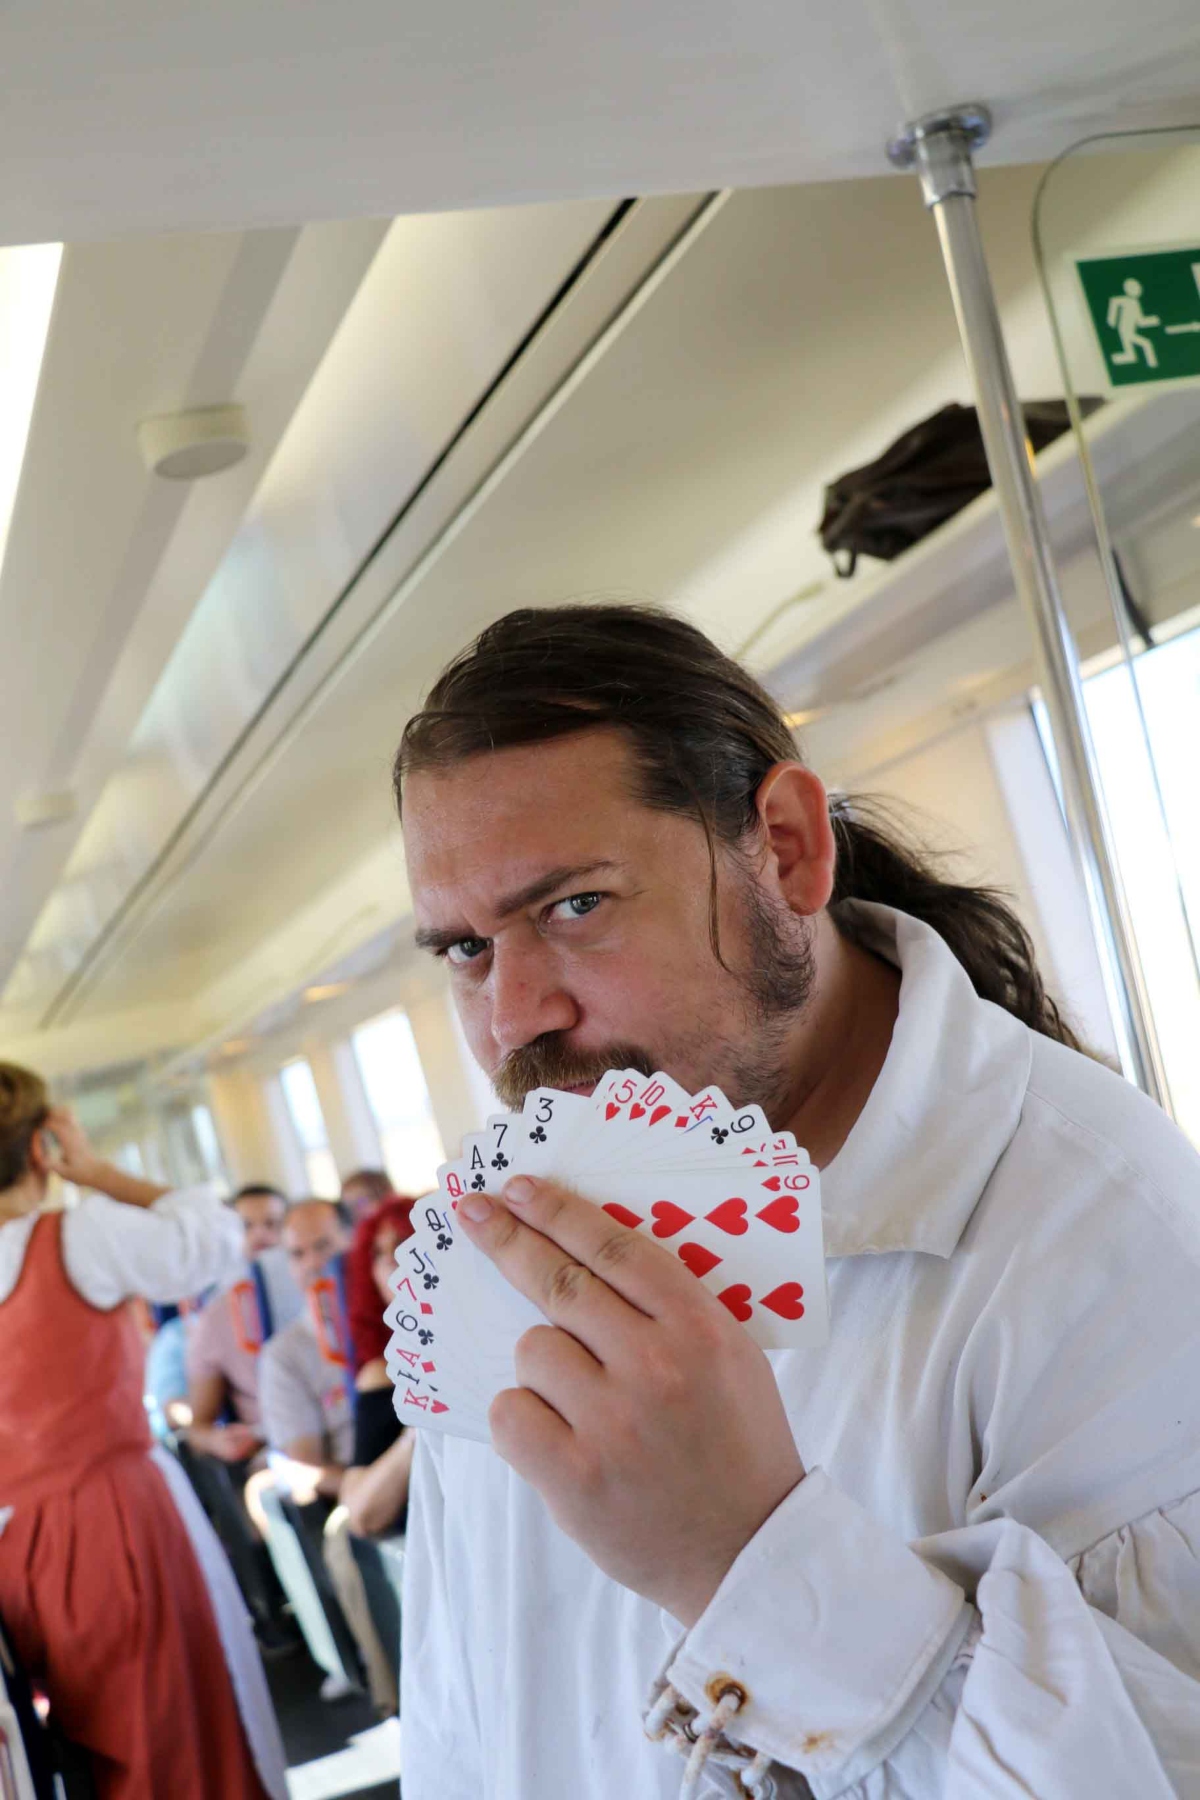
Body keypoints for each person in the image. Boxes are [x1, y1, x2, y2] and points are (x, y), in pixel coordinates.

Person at [393, 604, 1200, 1799]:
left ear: (784, 848)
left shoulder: (1110, 1246)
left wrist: (748, 1558)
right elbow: (465, 1738)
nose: (515, 1019)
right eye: (465, 949)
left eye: (577, 906)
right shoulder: (501, 1273)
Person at [0, 1064, 287, 1800]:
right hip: (115, 1524)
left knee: (91, 1760)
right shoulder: (73, 1238)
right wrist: (96, 1171)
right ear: (42, 1148)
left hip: (14, 1549)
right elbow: (216, 1237)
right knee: (183, 1743)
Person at [259, 1199, 397, 1709]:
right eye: (297, 1254)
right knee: (349, 1531)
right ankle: (389, 1687)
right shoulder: (286, 1355)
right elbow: (306, 1463)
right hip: (353, 1481)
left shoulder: (400, 1309)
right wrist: (374, 1477)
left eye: (324, 1246)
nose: (314, 1263)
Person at [186, 1184, 298, 1465]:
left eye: (273, 1224)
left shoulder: (324, 1294)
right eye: (246, 1226)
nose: (261, 1235)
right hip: (274, 1446)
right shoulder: (215, 1317)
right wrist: (217, 1440)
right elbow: (198, 1427)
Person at [341, 1196, 417, 1540]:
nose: (390, 1262)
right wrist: (423, 1425)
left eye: (403, 1245)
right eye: (376, 1254)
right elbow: (361, 1515)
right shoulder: (382, 1374)